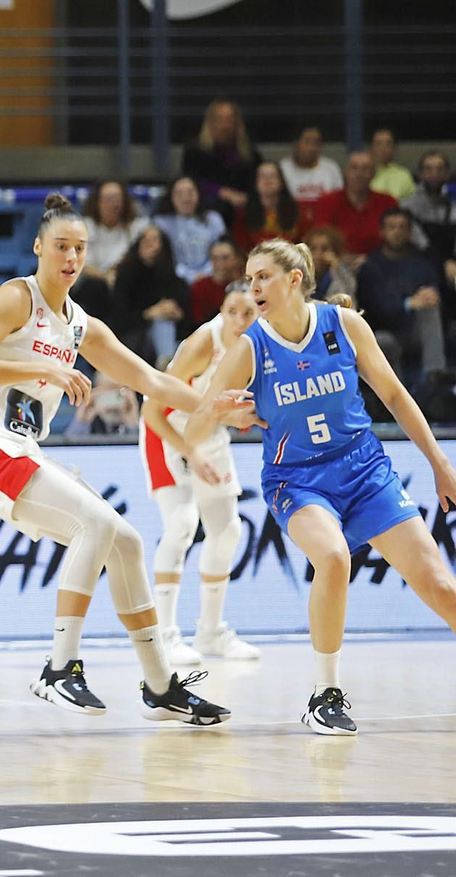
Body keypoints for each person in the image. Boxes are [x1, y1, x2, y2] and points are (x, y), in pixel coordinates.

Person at [0, 194, 249, 724]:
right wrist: (45, 370)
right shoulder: (17, 297)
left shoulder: (81, 325)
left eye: (80, 248)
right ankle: (59, 668)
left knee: (124, 541)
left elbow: (151, 380)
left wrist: (216, 406)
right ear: (38, 247)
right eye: (61, 246)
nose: (71, 257)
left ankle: (160, 685)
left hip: (17, 446)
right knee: (96, 525)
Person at [183, 239, 456, 735]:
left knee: (441, 586)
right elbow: (194, 429)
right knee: (332, 557)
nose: (253, 287)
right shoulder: (250, 346)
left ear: (294, 279)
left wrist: (439, 462)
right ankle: (325, 694)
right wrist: (216, 410)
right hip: (298, 479)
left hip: (364, 470)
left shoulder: (344, 325)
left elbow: (394, 394)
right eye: (248, 278)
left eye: (263, 276)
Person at [138, 282, 261, 666]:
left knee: (227, 529)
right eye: (231, 312)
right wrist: (190, 451)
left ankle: (209, 632)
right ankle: (164, 636)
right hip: (169, 432)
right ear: (220, 312)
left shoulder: (260, 346)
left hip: (210, 433)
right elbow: (152, 410)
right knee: (182, 524)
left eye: (248, 313)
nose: (239, 321)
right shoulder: (202, 344)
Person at [356, 208, 447, 382]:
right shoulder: (371, 266)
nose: (397, 232)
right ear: (381, 232)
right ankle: (395, 400)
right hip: (384, 331)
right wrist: (407, 303)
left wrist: (430, 297)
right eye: (391, 227)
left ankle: (436, 376)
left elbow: (433, 292)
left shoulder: (422, 262)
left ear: (410, 233)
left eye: (402, 227)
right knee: (382, 341)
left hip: (415, 330)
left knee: (430, 308)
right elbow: (374, 308)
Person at [111, 225, 190, 366]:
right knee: (161, 321)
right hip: (133, 335)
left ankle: (166, 365)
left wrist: (178, 315)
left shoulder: (176, 281)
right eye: (144, 239)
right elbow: (119, 319)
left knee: (165, 322)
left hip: (171, 337)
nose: (149, 243)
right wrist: (149, 314)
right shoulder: (126, 276)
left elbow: (188, 321)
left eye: (154, 239)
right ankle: (166, 370)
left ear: (163, 245)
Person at [72, 179, 145, 321]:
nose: (114, 204)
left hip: (123, 281)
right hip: (92, 283)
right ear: (97, 202)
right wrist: (106, 276)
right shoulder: (84, 226)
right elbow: (82, 265)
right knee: (95, 288)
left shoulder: (135, 227)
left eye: (118, 199)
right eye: (109, 199)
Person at [180, 98, 260, 218]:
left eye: (230, 119)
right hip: (208, 208)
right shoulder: (195, 151)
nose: (225, 125)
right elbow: (191, 182)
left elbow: (255, 183)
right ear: (210, 122)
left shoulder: (249, 153)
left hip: (244, 209)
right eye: (220, 119)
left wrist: (247, 197)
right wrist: (222, 192)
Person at [312, 150, 400, 257]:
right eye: (354, 168)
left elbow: (397, 240)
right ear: (346, 172)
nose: (359, 174)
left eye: (365, 169)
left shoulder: (388, 202)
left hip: (379, 264)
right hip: (337, 263)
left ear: (373, 174)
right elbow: (319, 241)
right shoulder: (326, 202)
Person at [153, 175, 226, 282]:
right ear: (171, 197)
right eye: (179, 194)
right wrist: (188, 276)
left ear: (198, 194)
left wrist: (206, 274)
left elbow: (223, 250)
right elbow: (161, 259)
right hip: (173, 280)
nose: (186, 198)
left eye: (190, 192)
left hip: (212, 277)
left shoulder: (213, 219)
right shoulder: (160, 223)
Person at [233, 162, 306, 251]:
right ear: (255, 182)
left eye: (272, 176)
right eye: (262, 176)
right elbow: (241, 248)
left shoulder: (297, 211)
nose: (267, 180)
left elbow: (303, 244)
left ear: (281, 182)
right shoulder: (242, 213)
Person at [401, 149, 456, 269]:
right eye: (428, 169)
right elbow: (421, 244)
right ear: (421, 174)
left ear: (447, 174)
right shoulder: (407, 207)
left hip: (451, 266)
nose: (434, 174)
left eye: (439, 169)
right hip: (418, 264)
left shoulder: (453, 206)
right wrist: (445, 263)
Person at [278, 126, 343, 209]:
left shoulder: (331, 168)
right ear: (296, 144)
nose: (312, 147)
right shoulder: (283, 168)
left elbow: (339, 201)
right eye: (307, 142)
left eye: (316, 143)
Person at [189, 239, 245, 325]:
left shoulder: (247, 286)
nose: (220, 263)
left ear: (237, 258)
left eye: (225, 258)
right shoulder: (199, 287)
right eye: (215, 258)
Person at [303, 225, 357, 304]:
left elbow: (349, 303)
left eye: (324, 249)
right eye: (313, 249)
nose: (318, 254)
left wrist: (336, 270)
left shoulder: (343, 273)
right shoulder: (301, 274)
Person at [369, 128, 416, 201]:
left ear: (394, 148)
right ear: (371, 148)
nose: (383, 148)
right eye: (378, 144)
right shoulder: (363, 174)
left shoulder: (404, 175)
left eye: (388, 143)